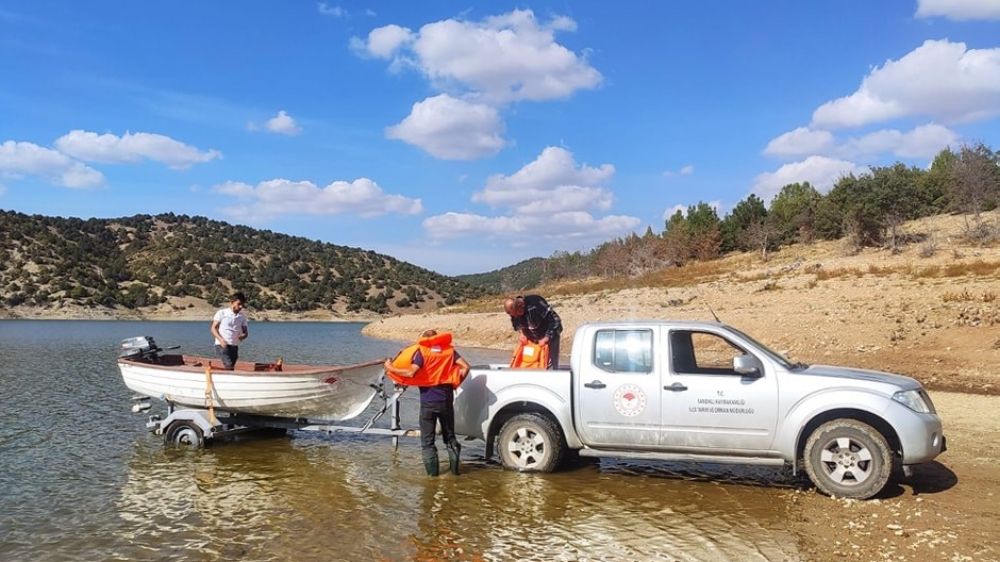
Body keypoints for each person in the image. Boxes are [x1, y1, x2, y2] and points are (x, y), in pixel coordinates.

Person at [383, 330, 470, 477]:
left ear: (425, 340)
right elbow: (466, 367)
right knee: (450, 438)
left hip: (428, 403)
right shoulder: (449, 351)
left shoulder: (422, 353)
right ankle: (455, 473)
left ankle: (432, 478)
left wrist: (390, 367)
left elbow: (411, 373)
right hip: (446, 401)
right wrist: (456, 383)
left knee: (428, 442)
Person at [504, 295, 562, 369]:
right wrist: (522, 334)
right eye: (514, 315)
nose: (517, 315)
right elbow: (516, 323)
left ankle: (552, 371)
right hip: (532, 336)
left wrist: (546, 338)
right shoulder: (514, 312)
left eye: (518, 312)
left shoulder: (535, 304)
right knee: (530, 359)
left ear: (521, 306)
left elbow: (555, 321)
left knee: (549, 361)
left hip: (549, 333)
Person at [210, 292, 248, 370]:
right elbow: (213, 328)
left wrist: (243, 336)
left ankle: (225, 380)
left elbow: (245, 332)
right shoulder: (222, 313)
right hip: (222, 345)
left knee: (231, 367)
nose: (241, 307)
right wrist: (221, 340)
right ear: (232, 302)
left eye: (242, 305)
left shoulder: (242, 317)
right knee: (229, 365)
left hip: (234, 346)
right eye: (239, 304)